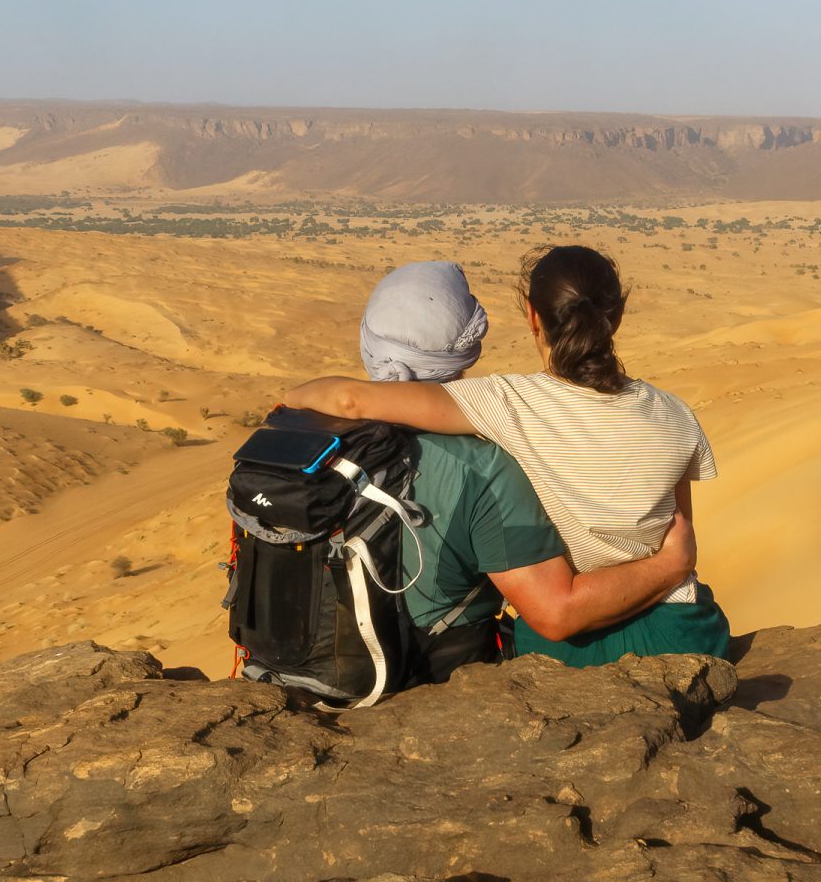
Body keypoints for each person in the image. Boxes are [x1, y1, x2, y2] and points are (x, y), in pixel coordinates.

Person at [286, 246, 730, 667]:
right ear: (616, 317)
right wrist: (674, 565)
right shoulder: (675, 414)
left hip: (567, 649)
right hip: (683, 630)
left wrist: (290, 399)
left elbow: (351, 402)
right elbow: (678, 537)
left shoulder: (508, 403)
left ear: (534, 317)